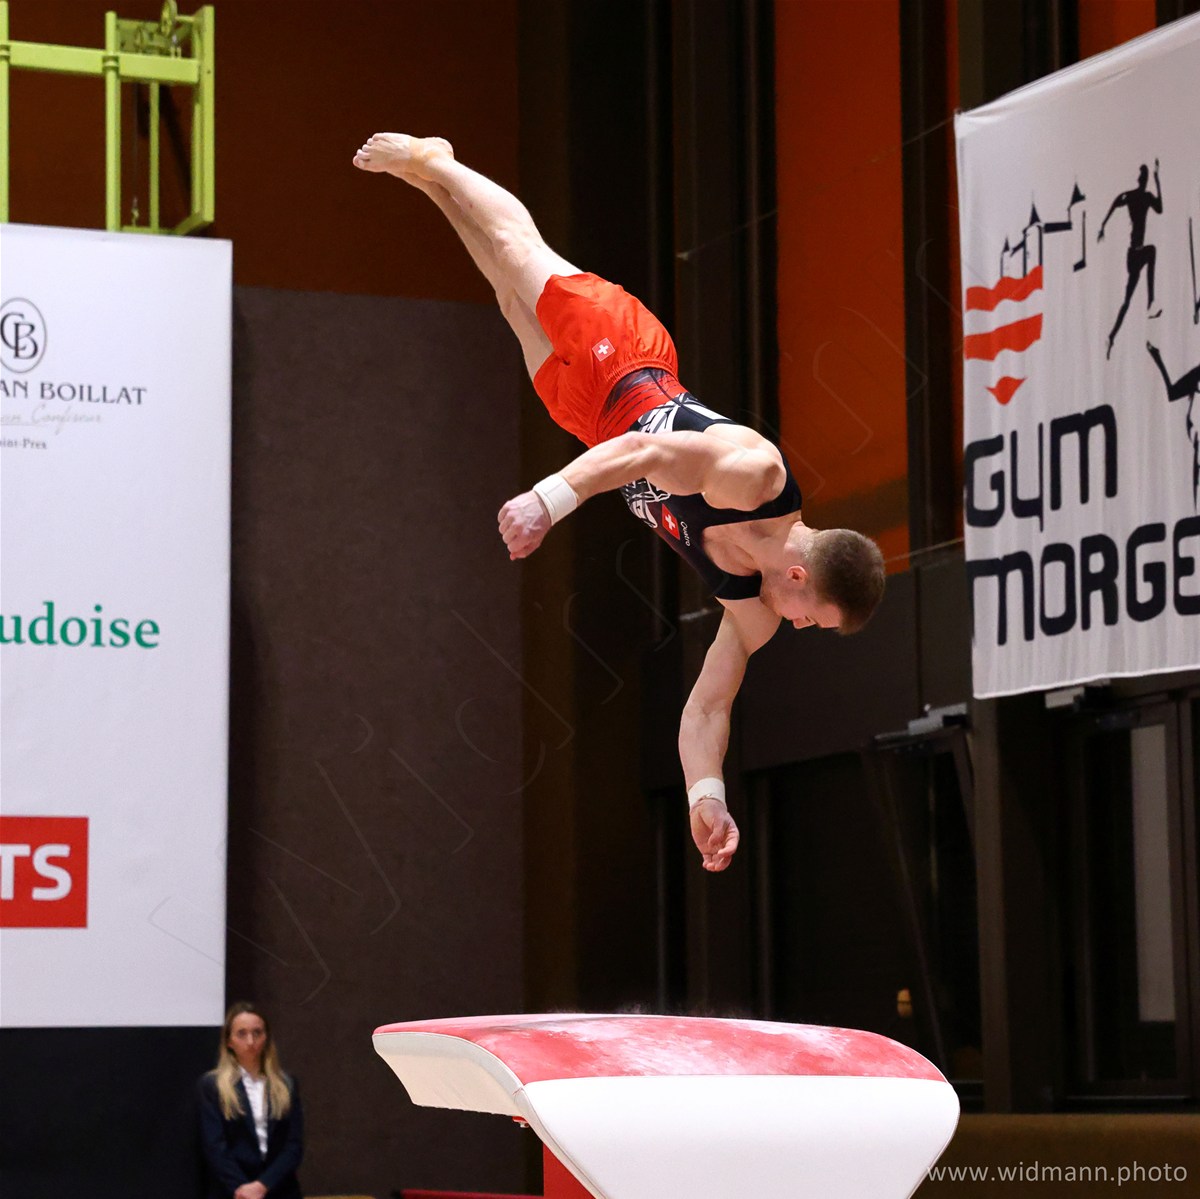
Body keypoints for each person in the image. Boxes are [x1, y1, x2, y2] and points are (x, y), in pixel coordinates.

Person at [352, 133, 885, 873]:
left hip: (587, 420)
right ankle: (436, 160)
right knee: (517, 251)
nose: (797, 626)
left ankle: (429, 182)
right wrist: (548, 500)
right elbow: (643, 455)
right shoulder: (755, 478)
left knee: (505, 292)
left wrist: (706, 794)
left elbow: (707, 708)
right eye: (812, 617)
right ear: (801, 576)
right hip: (624, 357)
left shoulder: (753, 611)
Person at [198, 1002, 304, 1199]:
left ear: (266, 1037)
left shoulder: (286, 1084)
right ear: (229, 1041)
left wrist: (262, 1186)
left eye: (257, 1033)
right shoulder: (213, 1085)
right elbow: (215, 1147)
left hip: (278, 1188)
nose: (250, 1041)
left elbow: (293, 1146)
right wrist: (243, 1189)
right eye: (242, 1034)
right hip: (234, 1190)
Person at [1099, 160, 1163, 359]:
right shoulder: (1138, 196)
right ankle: (1150, 302)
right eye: (1145, 177)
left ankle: (1111, 336)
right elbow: (1117, 201)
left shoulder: (1140, 196)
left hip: (1134, 255)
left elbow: (1159, 208)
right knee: (1152, 251)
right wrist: (1103, 225)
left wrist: (1157, 179)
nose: (1144, 180)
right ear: (1141, 179)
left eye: (1146, 178)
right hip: (1135, 255)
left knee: (1126, 302)